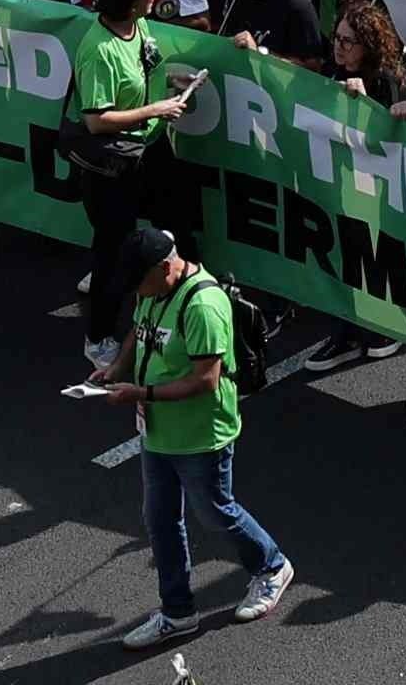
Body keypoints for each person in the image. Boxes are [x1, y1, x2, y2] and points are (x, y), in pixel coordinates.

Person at [103, 222, 292, 640]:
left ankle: (272, 566)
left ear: (166, 267)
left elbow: (206, 380)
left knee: (214, 512)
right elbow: (139, 326)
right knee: (160, 519)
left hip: (201, 435)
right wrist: (117, 366)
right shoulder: (154, 291)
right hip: (158, 432)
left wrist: (140, 391)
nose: (138, 291)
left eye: (141, 281)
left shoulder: (202, 306)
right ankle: (177, 612)